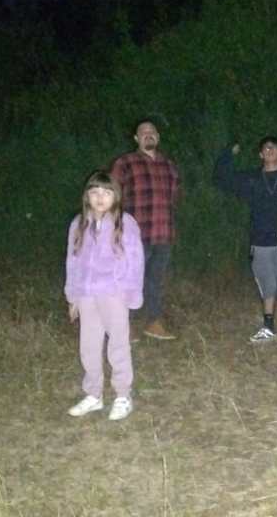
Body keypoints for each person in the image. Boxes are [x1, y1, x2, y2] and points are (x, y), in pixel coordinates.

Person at [65, 171, 144, 421]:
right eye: (95, 192)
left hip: (114, 294)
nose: (100, 198)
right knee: (88, 345)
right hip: (87, 295)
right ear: (87, 196)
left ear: (116, 196)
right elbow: (73, 262)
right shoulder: (79, 223)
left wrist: (130, 294)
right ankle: (93, 395)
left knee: (118, 345)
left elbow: (135, 261)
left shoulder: (125, 222)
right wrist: (73, 296)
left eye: (106, 192)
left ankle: (123, 394)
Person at [213, 136, 277, 343]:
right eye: (265, 147)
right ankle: (268, 326)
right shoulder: (252, 178)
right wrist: (229, 153)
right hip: (260, 240)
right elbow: (222, 178)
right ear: (260, 154)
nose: (269, 149)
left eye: (274, 146)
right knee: (266, 284)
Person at [111, 118, 180, 341]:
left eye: (152, 132)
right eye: (143, 132)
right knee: (129, 280)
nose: (148, 135)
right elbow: (111, 195)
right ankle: (124, 326)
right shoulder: (125, 163)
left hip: (164, 234)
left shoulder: (169, 165)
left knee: (155, 280)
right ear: (136, 138)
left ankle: (154, 322)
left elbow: (175, 197)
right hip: (135, 235)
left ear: (158, 137)